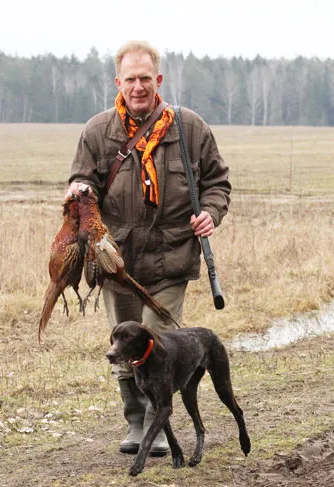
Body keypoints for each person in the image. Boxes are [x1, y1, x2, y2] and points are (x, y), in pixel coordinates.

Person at [65, 40, 231, 457]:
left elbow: (218, 183)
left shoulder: (189, 128)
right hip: (116, 262)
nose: (138, 87)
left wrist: (211, 211)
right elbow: (81, 179)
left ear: (158, 80)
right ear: (117, 82)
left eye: (145, 79)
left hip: (173, 257)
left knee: (156, 342)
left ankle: (158, 426)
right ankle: (137, 423)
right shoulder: (97, 131)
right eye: (130, 79)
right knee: (125, 345)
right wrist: (79, 191)